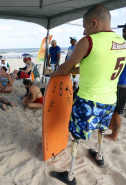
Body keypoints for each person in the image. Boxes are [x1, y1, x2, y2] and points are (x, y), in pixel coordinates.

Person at [49, 4, 126, 185]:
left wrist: (53, 74)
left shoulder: (89, 42)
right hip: (109, 99)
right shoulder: (122, 42)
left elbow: (65, 67)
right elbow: (94, 66)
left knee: (76, 136)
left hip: (88, 101)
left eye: (85, 27)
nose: (84, 32)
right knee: (101, 128)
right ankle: (99, 155)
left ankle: (70, 176)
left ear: (94, 22)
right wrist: (73, 70)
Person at [105, 24, 126, 141]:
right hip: (120, 83)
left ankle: (114, 135)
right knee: (114, 110)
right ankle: (111, 127)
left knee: (117, 111)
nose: (122, 32)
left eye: (124, 30)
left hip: (122, 84)